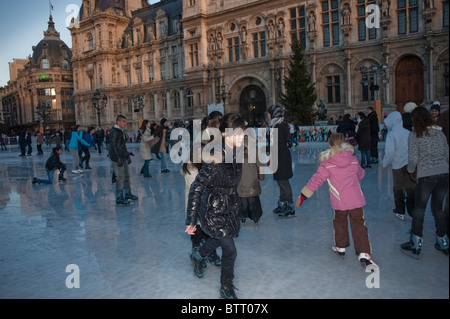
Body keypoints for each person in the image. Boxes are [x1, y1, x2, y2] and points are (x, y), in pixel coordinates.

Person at [185, 113, 244, 299]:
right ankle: (226, 287)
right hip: (213, 212)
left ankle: (199, 254)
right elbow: (196, 187)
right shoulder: (215, 157)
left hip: (228, 209)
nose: (242, 138)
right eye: (238, 134)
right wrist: (192, 220)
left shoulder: (237, 154)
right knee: (230, 250)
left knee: (219, 239)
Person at [296, 133, 377, 268]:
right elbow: (361, 174)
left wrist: (303, 196)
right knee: (359, 224)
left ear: (329, 145)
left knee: (340, 221)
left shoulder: (327, 163)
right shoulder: (353, 158)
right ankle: (364, 253)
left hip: (339, 201)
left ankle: (340, 246)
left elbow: (316, 181)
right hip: (355, 199)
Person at [401, 106, 449, 258]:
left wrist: (410, 171)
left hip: (427, 175)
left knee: (420, 209)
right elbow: (447, 153)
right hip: (444, 173)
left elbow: (413, 158)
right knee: (438, 209)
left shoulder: (415, 134)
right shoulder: (439, 133)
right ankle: (443, 242)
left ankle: (415, 243)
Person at [182, 145, 221, 270]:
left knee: (209, 232)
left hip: (207, 208)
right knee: (197, 232)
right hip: (195, 207)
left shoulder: (206, 168)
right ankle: (197, 254)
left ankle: (210, 252)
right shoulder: (191, 169)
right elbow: (199, 188)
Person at [382, 111, 415, 220]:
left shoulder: (392, 134)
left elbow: (390, 151)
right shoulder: (407, 132)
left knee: (398, 187)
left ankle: (400, 210)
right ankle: (412, 209)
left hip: (397, 165)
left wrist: (385, 162)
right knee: (410, 186)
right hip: (408, 163)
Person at [267, 104, 295, 217]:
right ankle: (282, 204)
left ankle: (290, 205)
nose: (267, 115)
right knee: (280, 181)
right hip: (279, 156)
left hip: (281, 157)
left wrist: (263, 149)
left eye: (269, 113)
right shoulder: (277, 125)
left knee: (284, 182)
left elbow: (277, 144)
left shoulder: (278, 126)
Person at [109, 115, 138, 206]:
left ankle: (127, 193)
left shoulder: (120, 131)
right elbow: (113, 146)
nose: (125, 123)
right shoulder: (114, 132)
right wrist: (118, 158)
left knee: (126, 176)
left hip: (122, 158)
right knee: (120, 178)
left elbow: (122, 146)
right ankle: (119, 197)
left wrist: (127, 156)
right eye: (124, 121)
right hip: (117, 159)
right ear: (118, 122)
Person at [237, 135, 265, 224]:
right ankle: (255, 216)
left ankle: (242, 216)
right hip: (252, 178)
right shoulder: (255, 149)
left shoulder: (236, 149)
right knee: (253, 198)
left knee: (242, 198)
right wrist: (261, 177)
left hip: (240, 178)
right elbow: (260, 164)